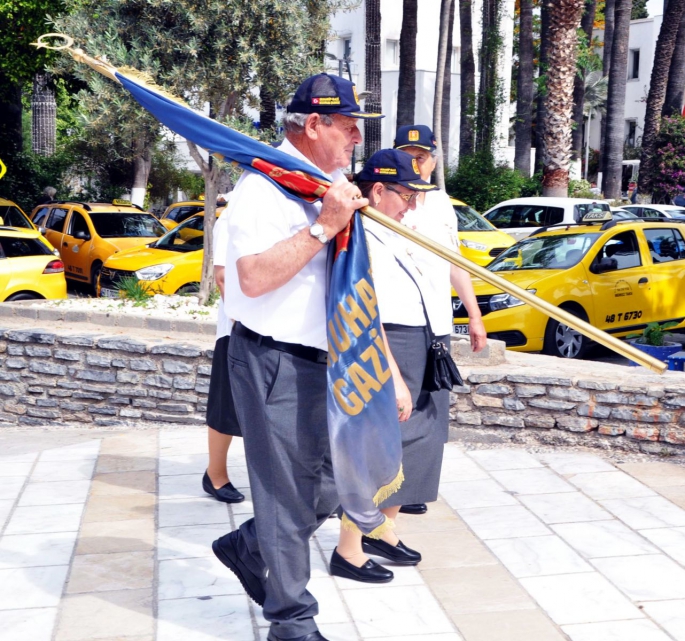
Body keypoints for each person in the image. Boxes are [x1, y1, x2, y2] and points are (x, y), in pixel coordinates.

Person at [212, 73, 382, 641]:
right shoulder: (264, 187)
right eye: (351, 128)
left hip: (327, 360)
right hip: (272, 359)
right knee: (285, 494)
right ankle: (291, 621)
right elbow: (253, 279)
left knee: (341, 480)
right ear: (314, 125)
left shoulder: (324, 183)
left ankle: (250, 543)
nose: (358, 139)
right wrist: (324, 226)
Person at [329, 148, 441, 583]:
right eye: (405, 195)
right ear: (378, 190)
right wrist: (392, 375)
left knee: (408, 447)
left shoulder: (389, 226)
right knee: (373, 454)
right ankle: (349, 549)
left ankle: (382, 531)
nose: (411, 204)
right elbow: (366, 313)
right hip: (387, 346)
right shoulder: (359, 234)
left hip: (415, 341)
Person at [393, 124, 487, 515]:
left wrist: (475, 315)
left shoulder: (442, 203)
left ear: (434, 158)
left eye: (421, 155)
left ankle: (412, 488)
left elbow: (455, 262)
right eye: (407, 154)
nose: (416, 161)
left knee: (432, 412)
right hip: (398, 319)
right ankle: (380, 493)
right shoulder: (387, 198)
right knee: (398, 411)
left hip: (436, 321)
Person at [202, 207, 244, 504]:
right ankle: (215, 475)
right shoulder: (231, 217)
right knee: (224, 405)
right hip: (237, 329)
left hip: (270, 327)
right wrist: (240, 322)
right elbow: (223, 278)